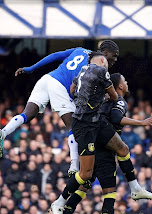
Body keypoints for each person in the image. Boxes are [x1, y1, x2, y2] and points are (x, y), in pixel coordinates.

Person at [50, 73, 152, 214]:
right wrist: (142, 122)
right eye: (125, 80)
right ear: (120, 87)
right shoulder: (120, 101)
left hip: (91, 148)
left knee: (82, 188)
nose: (127, 82)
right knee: (110, 194)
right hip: (106, 152)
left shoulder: (101, 99)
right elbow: (116, 119)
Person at [0, 40, 119, 177]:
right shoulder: (96, 69)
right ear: (105, 53)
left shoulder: (80, 50)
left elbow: (56, 55)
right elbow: (79, 91)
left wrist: (32, 68)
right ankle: (74, 166)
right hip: (60, 86)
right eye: (114, 55)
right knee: (72, 126)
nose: (115, 59)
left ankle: (3, 132)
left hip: (47, 79)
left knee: (28, 113)